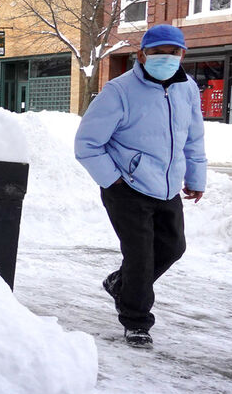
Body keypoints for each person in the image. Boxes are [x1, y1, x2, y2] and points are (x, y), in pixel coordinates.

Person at [74, 24, 207, 347]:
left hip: (167, 186)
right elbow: (87, 144)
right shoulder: (118, 91)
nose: (166, 57)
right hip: (126, 187)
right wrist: (114, 180)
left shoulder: (187, 88)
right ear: (142, 55)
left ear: (182, 54)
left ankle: (121, 284)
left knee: (173, 247)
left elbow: (193, 135)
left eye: (172, 52)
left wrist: (195, 177)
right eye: (158, 52)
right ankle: (136, 321)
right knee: (140, 256)